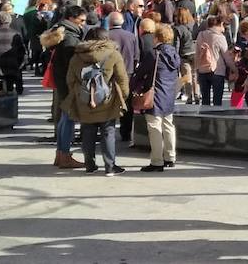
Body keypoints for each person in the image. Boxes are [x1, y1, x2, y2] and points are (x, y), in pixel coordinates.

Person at [63, 28, 129, 176]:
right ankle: (110, 166)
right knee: (108, 132)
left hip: (84, 99)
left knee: (87, 132)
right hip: (107, 99)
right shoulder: (113, 54)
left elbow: (70, 80)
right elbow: (121, 78)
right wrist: (123, 97)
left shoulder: (77, 56)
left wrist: (80, 92)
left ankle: (90, 165)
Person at [41, 5, 87, 169]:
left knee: (64, 118)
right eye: (81, 20)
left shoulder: (59, 32)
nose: (83, 24)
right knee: (69, 118)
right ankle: (65, 155)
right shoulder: (70, 38)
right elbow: (73, 64)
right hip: (68, 83)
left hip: (61, 81)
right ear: (72, 19)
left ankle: (60, 154)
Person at [132, 24, 181, 172]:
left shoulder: (154, 54)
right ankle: (170, 157)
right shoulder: (175, 54)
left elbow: (139, 73)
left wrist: (133, 86)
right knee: (168, 125)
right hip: (169, 94)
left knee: (154, 127)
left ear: (156, 37)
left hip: (155, 95)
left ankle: (157, 161)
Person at [108, 12, 139, 142]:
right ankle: (125, 132)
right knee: (127, 103)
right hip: (128, 73)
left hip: (110, 73)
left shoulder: (106, 36)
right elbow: (137, 56)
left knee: (109, 101)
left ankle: (108, 130)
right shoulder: (131, 36)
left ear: (110, 23)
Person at [195, 15, 238, 106]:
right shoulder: (220, 37)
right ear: (220, 24)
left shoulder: (200, 35)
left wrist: (197, 69)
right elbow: (226, 57)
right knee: (217, 101)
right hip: (217, 71)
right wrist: (234, 69)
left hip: (203, 70)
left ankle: (205, 119)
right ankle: (216, 118)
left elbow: (197, 53)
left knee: (205, 100)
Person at [0, 12, 27, 94]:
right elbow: (23, 53)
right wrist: (19, 65)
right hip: (12, 69)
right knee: (9, 85)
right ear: (10, 21)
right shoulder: (16, 34)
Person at [173, 8, 198, 104]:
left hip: (184, 54)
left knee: (187, 76)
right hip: (194, 51)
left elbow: (177, 44)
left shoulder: (177, 28)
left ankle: (189, 96)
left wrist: (175, 56)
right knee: (195, 75)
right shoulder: (193, 26)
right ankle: (197, 95)